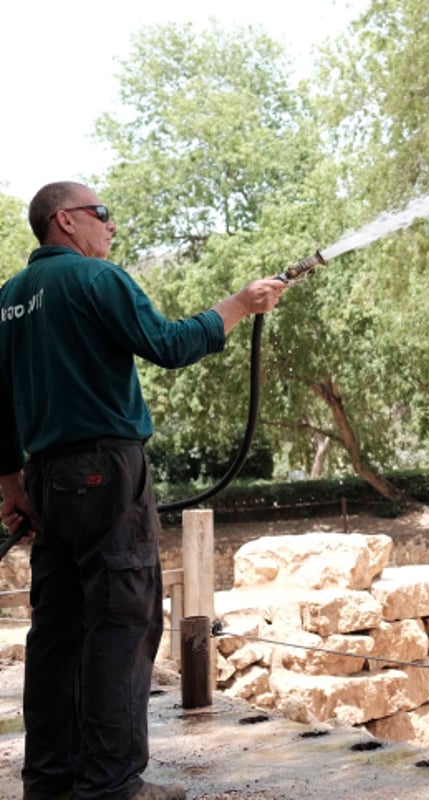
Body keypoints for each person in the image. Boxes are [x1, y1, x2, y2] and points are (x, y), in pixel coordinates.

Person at [0, 181, 287, 800]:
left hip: (45, 476)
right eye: (102, 214)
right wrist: (240, 304)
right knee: (121, 622)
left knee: (56, 632)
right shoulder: (96, 280)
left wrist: (11, 482)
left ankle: (48, 782)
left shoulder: (8, 300)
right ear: (65, 221)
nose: (111, 227)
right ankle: (111, 786)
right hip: (105, 469)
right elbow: (168, 345)